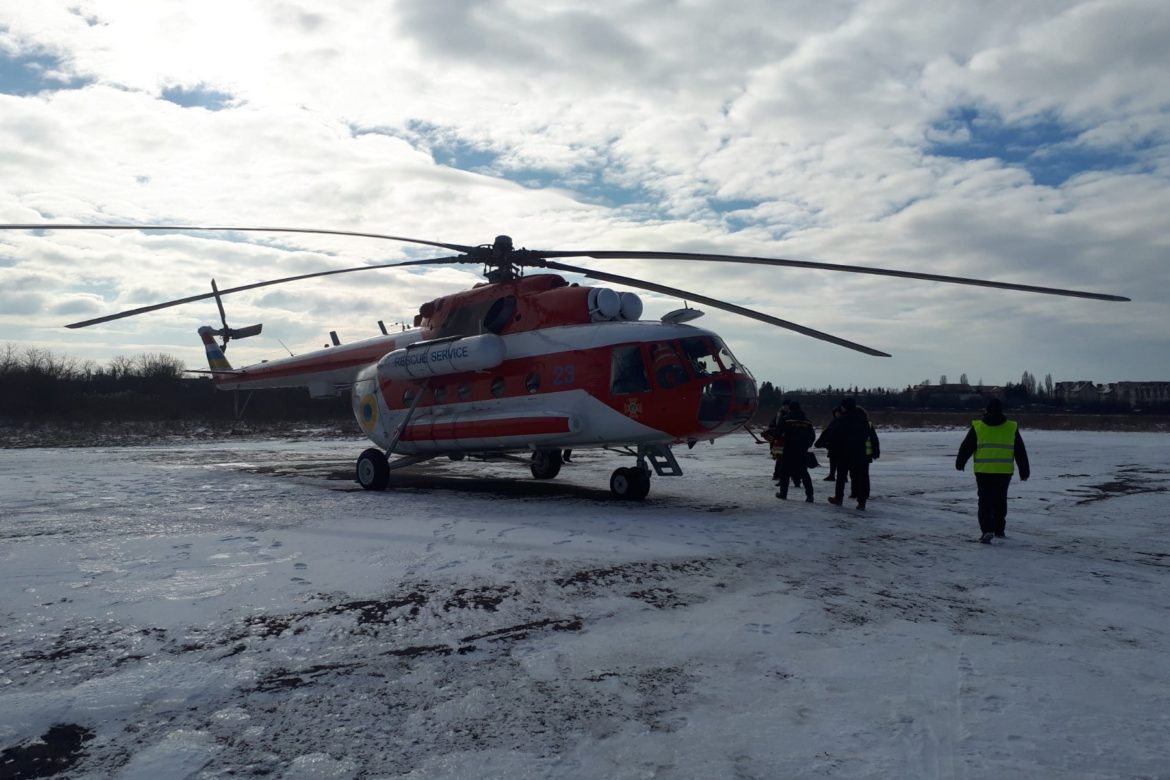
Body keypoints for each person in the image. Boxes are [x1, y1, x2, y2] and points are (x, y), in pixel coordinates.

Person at [955, 397, 1030, 543]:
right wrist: (1024, 471)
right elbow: (1020, 451)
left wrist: (960, 462)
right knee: (1000, 500)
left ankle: (987, 530)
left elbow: (966, 446)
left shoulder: (978, 427)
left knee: (984, 501)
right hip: (1004, 471)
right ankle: (999, 529)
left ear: (986, 410)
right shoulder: (1011, 427)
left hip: (983, 471)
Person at [825, 397, 879, 511]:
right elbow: (871, 436)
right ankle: (861, 502)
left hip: (844, 453)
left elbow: (834, 435)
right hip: (860, 453)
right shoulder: (864, 420)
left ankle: (839, 498)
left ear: (844, 407)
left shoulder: (842, 420)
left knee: (841, 476)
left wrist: (828, 444)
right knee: (861, 477)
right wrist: (875, 451)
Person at [775, 401, 816, 502]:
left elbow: (778, 433)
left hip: (788, 449)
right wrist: (806, 445)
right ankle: (810, 495)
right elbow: (812, 436)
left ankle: (783, 494)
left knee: (785, 472)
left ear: (790, 409)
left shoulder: (786, 419)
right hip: (802, 450)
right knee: (804, 472)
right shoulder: (807, 421)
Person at [816, 406, 844, 483]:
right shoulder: (834, 421)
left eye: (838, 413)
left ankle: (843, 477)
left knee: (841, 462)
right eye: (836, 413)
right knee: (832, 460)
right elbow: (828, 432)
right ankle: (832, 475)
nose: (837, 414)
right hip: (832, 445)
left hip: (840, 445)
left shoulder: (843, 421)